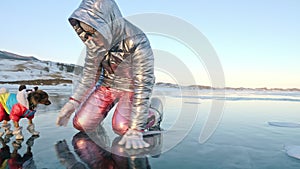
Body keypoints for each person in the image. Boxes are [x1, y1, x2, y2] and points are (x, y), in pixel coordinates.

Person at [56, 0, 163, 149]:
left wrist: (136, 128)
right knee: (81, 124)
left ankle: (154, 113)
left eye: (93, 31)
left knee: (122, 128)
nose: (89, 38)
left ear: (109, 22)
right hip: (106, 85)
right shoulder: (93, 44)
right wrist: (73, 102)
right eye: (85, 33)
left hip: (131, 88)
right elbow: (89, 75)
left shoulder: (137, 40)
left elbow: (143, 84)